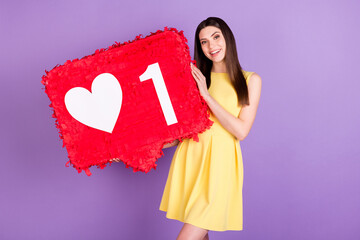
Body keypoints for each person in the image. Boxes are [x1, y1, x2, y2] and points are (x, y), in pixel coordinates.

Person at [160, 17, 262, 240]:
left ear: (227, 38)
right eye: (204, 42)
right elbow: (183, 132)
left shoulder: (250, 80)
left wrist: (206, 96)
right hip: (192, 160)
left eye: (216, 37)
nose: (211, 46)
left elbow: (241, 131)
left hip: (219, 166)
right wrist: (135, 151)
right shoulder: (195, 78)